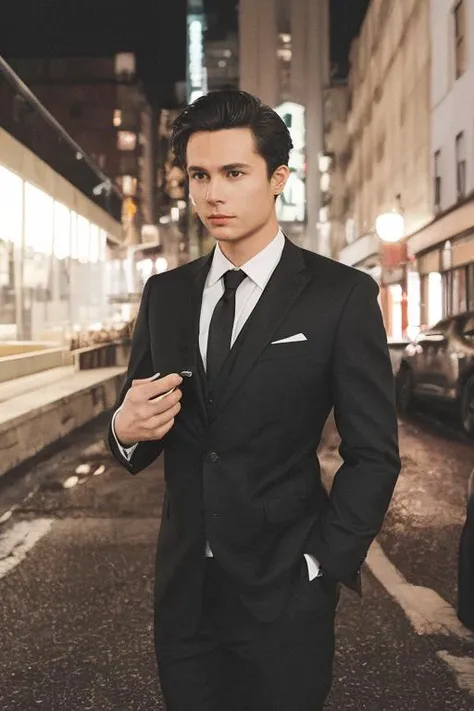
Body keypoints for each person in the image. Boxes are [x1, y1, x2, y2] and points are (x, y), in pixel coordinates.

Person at [108, 89, 401, 711]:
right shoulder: (166, 295)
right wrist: (124, 428)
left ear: (277, 180)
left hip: (286, 592)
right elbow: (133, 438)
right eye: (199, 175)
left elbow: (374, 452)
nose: (213, 194)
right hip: (185, 597)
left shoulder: (339, 295)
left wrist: (324, 563)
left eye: (234, 173)